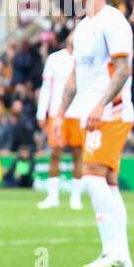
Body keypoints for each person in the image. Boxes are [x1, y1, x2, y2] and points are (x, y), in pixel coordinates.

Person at [59, 0, 134, 267]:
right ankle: (121, 254)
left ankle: (112, 251)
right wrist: (60, 113)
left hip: (110, 111)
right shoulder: (83, 27)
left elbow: (123, 69)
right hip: (90, 112)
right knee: (109, 182)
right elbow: (77, 74)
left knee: (91, 174)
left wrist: (100, 105)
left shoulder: (113, 21)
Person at [36, 38, 85, 210]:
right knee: (55, 153)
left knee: (78, 154)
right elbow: (46, 87)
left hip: (80, 113)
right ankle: (52, 197)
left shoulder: (86, 58)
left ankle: (76, 197)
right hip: (58, 113)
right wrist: (41, 112)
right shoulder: (54, 59)